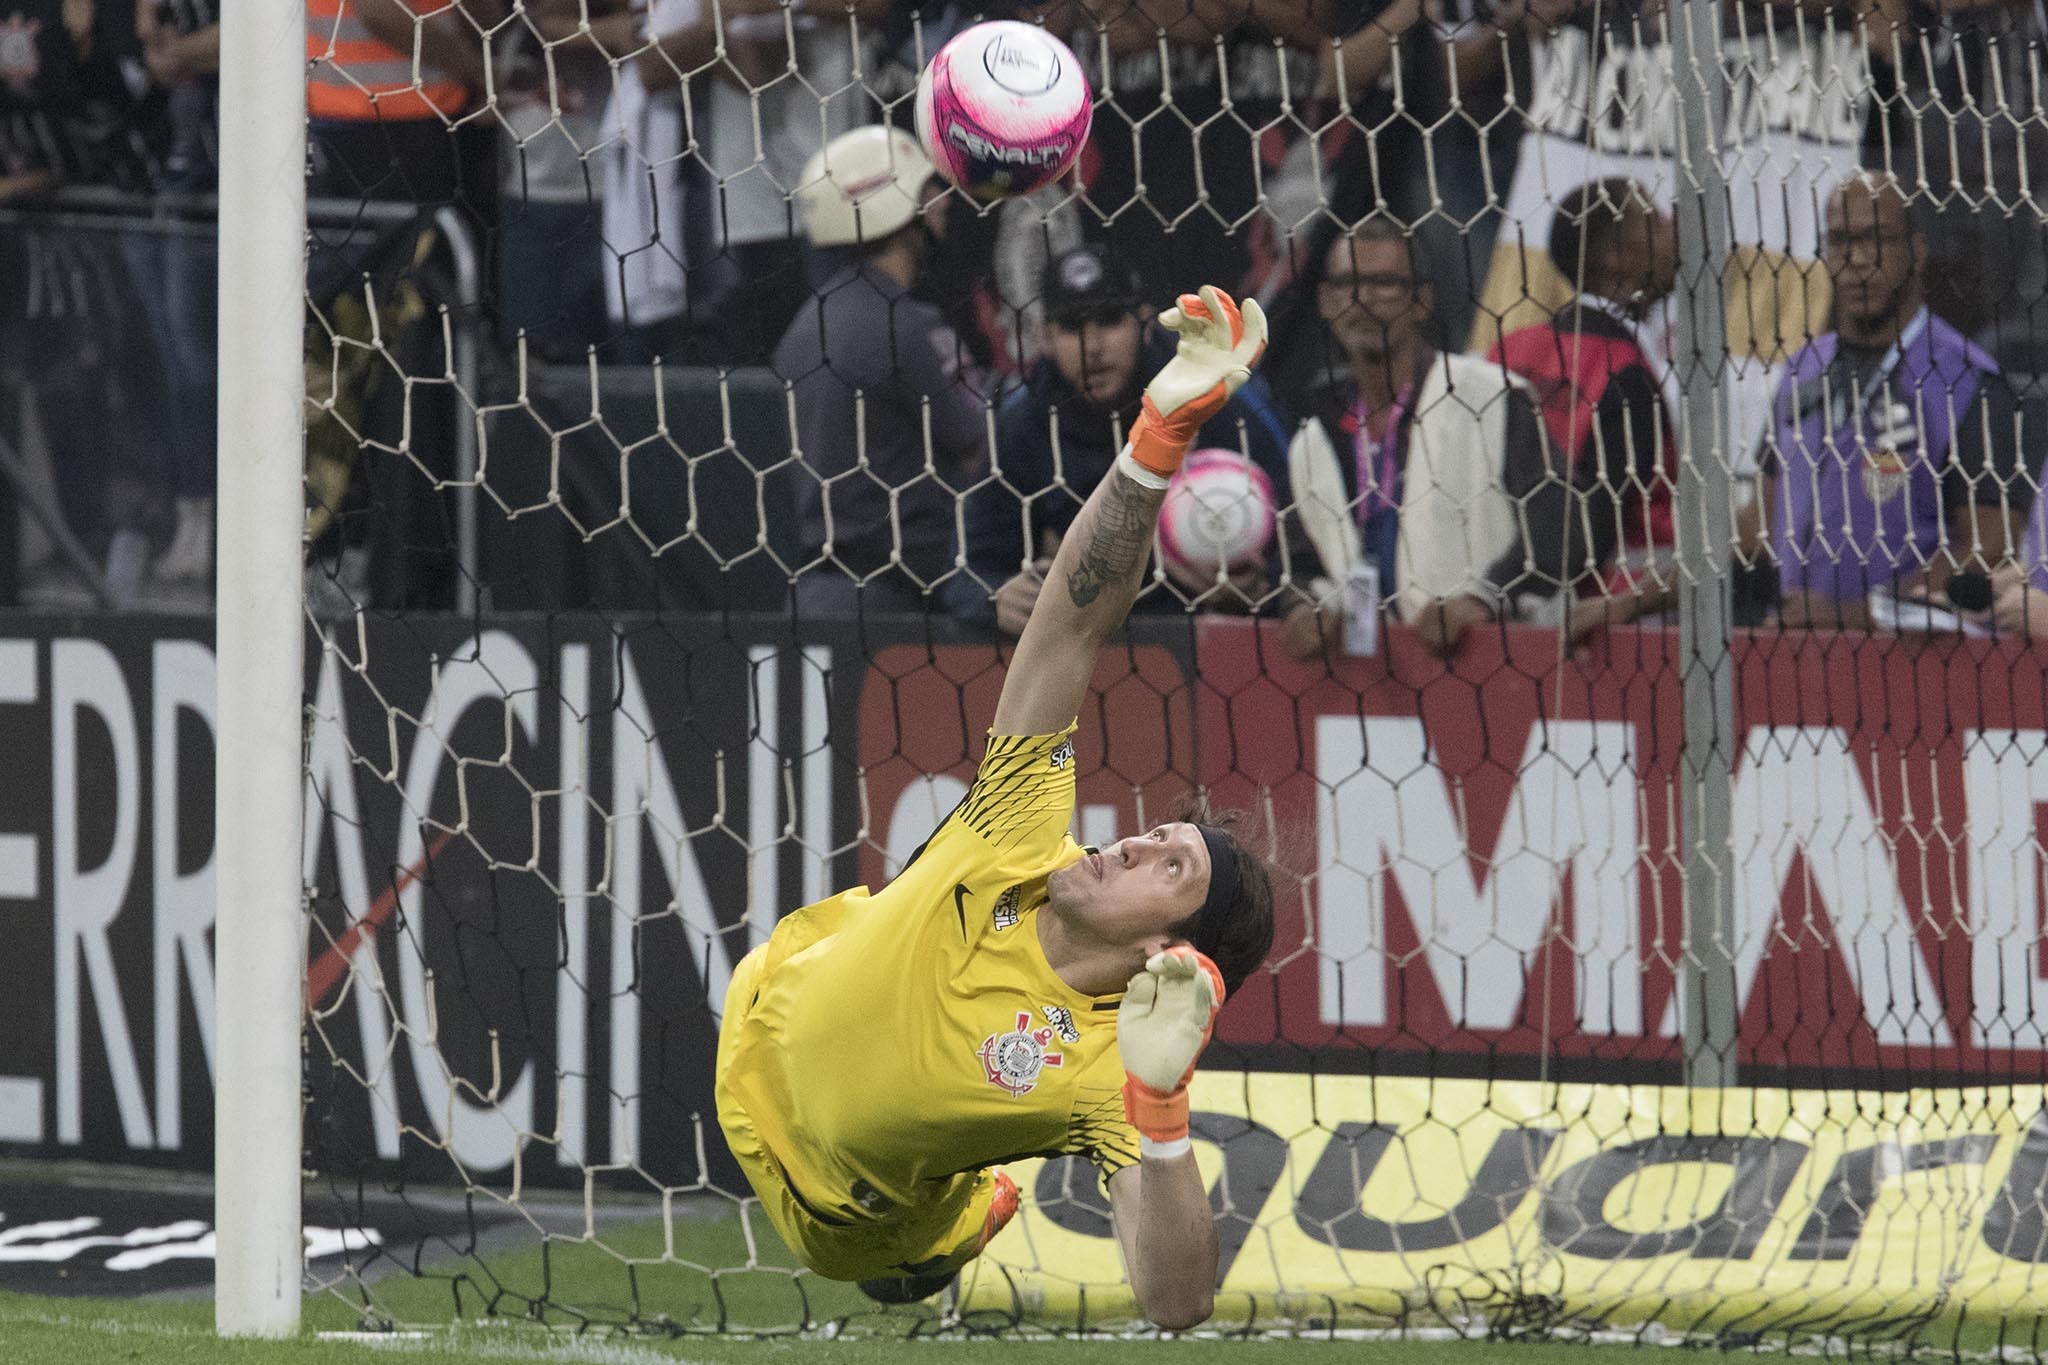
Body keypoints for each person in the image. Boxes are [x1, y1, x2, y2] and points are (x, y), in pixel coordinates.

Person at [717, 281, 1276, 1325]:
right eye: (1158, 831)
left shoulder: (1104, 1070)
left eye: (1171, 867)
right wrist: (1156, 438)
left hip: (832, 1209)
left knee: (910, 1260)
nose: (1135, 840)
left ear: (1173, 956)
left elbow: (1176, 1303)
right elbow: (1068, 630)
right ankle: (967, 1194)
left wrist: (1157, 1116)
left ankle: (958, 1221)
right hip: (758, 1006)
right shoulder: (1024, 830)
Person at [951, 243, 1295, 633]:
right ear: (1044, 337)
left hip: (1214, 646)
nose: (1092, 347)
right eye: (1071, 326)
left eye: (1110, 320)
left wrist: (1267, 587)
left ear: (1146, 324)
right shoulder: (1022, 424)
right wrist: (995, 598)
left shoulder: (1216, 395)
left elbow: (1300, 524)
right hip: (1084, 652)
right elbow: (966, 569)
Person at [1276, 218, 1565, 660]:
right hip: (1372, 682)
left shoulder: (1492, 396)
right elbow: (1302, 563)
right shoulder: (1314, 437)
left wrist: (1484, 599)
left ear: (1422, 301)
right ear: (1325, 302)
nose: (1363, 299)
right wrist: (1302, 607)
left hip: (1492, 665)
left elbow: (1563, 525)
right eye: (1346, 284)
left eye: (1385, 284)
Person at [1760, 172, 2025, 630]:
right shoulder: (1801, 369)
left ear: (1917, 252)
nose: (1859, 259)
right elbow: (1761, 519)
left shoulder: (1968, 381)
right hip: (1793, 657)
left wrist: (1850, 617)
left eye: (1877, 239)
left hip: (1914, 671)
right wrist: (1632, 599)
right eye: (1841, 241)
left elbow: (1989, 548)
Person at [777, 124, 990, 615]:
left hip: (814, 597)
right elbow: (975, 443)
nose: (942, 198)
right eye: (926, 188)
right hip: (896, 604)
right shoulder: (910, 324)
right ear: (895, 207)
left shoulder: (805, 324)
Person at [1489, 179, 1677, 643]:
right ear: (1614, 257)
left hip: (1495, 607)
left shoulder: (1506, 351)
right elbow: (1598, 516)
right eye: (1653, 221)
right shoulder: (1625, 372)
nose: (1673, 230)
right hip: (1605, 627)